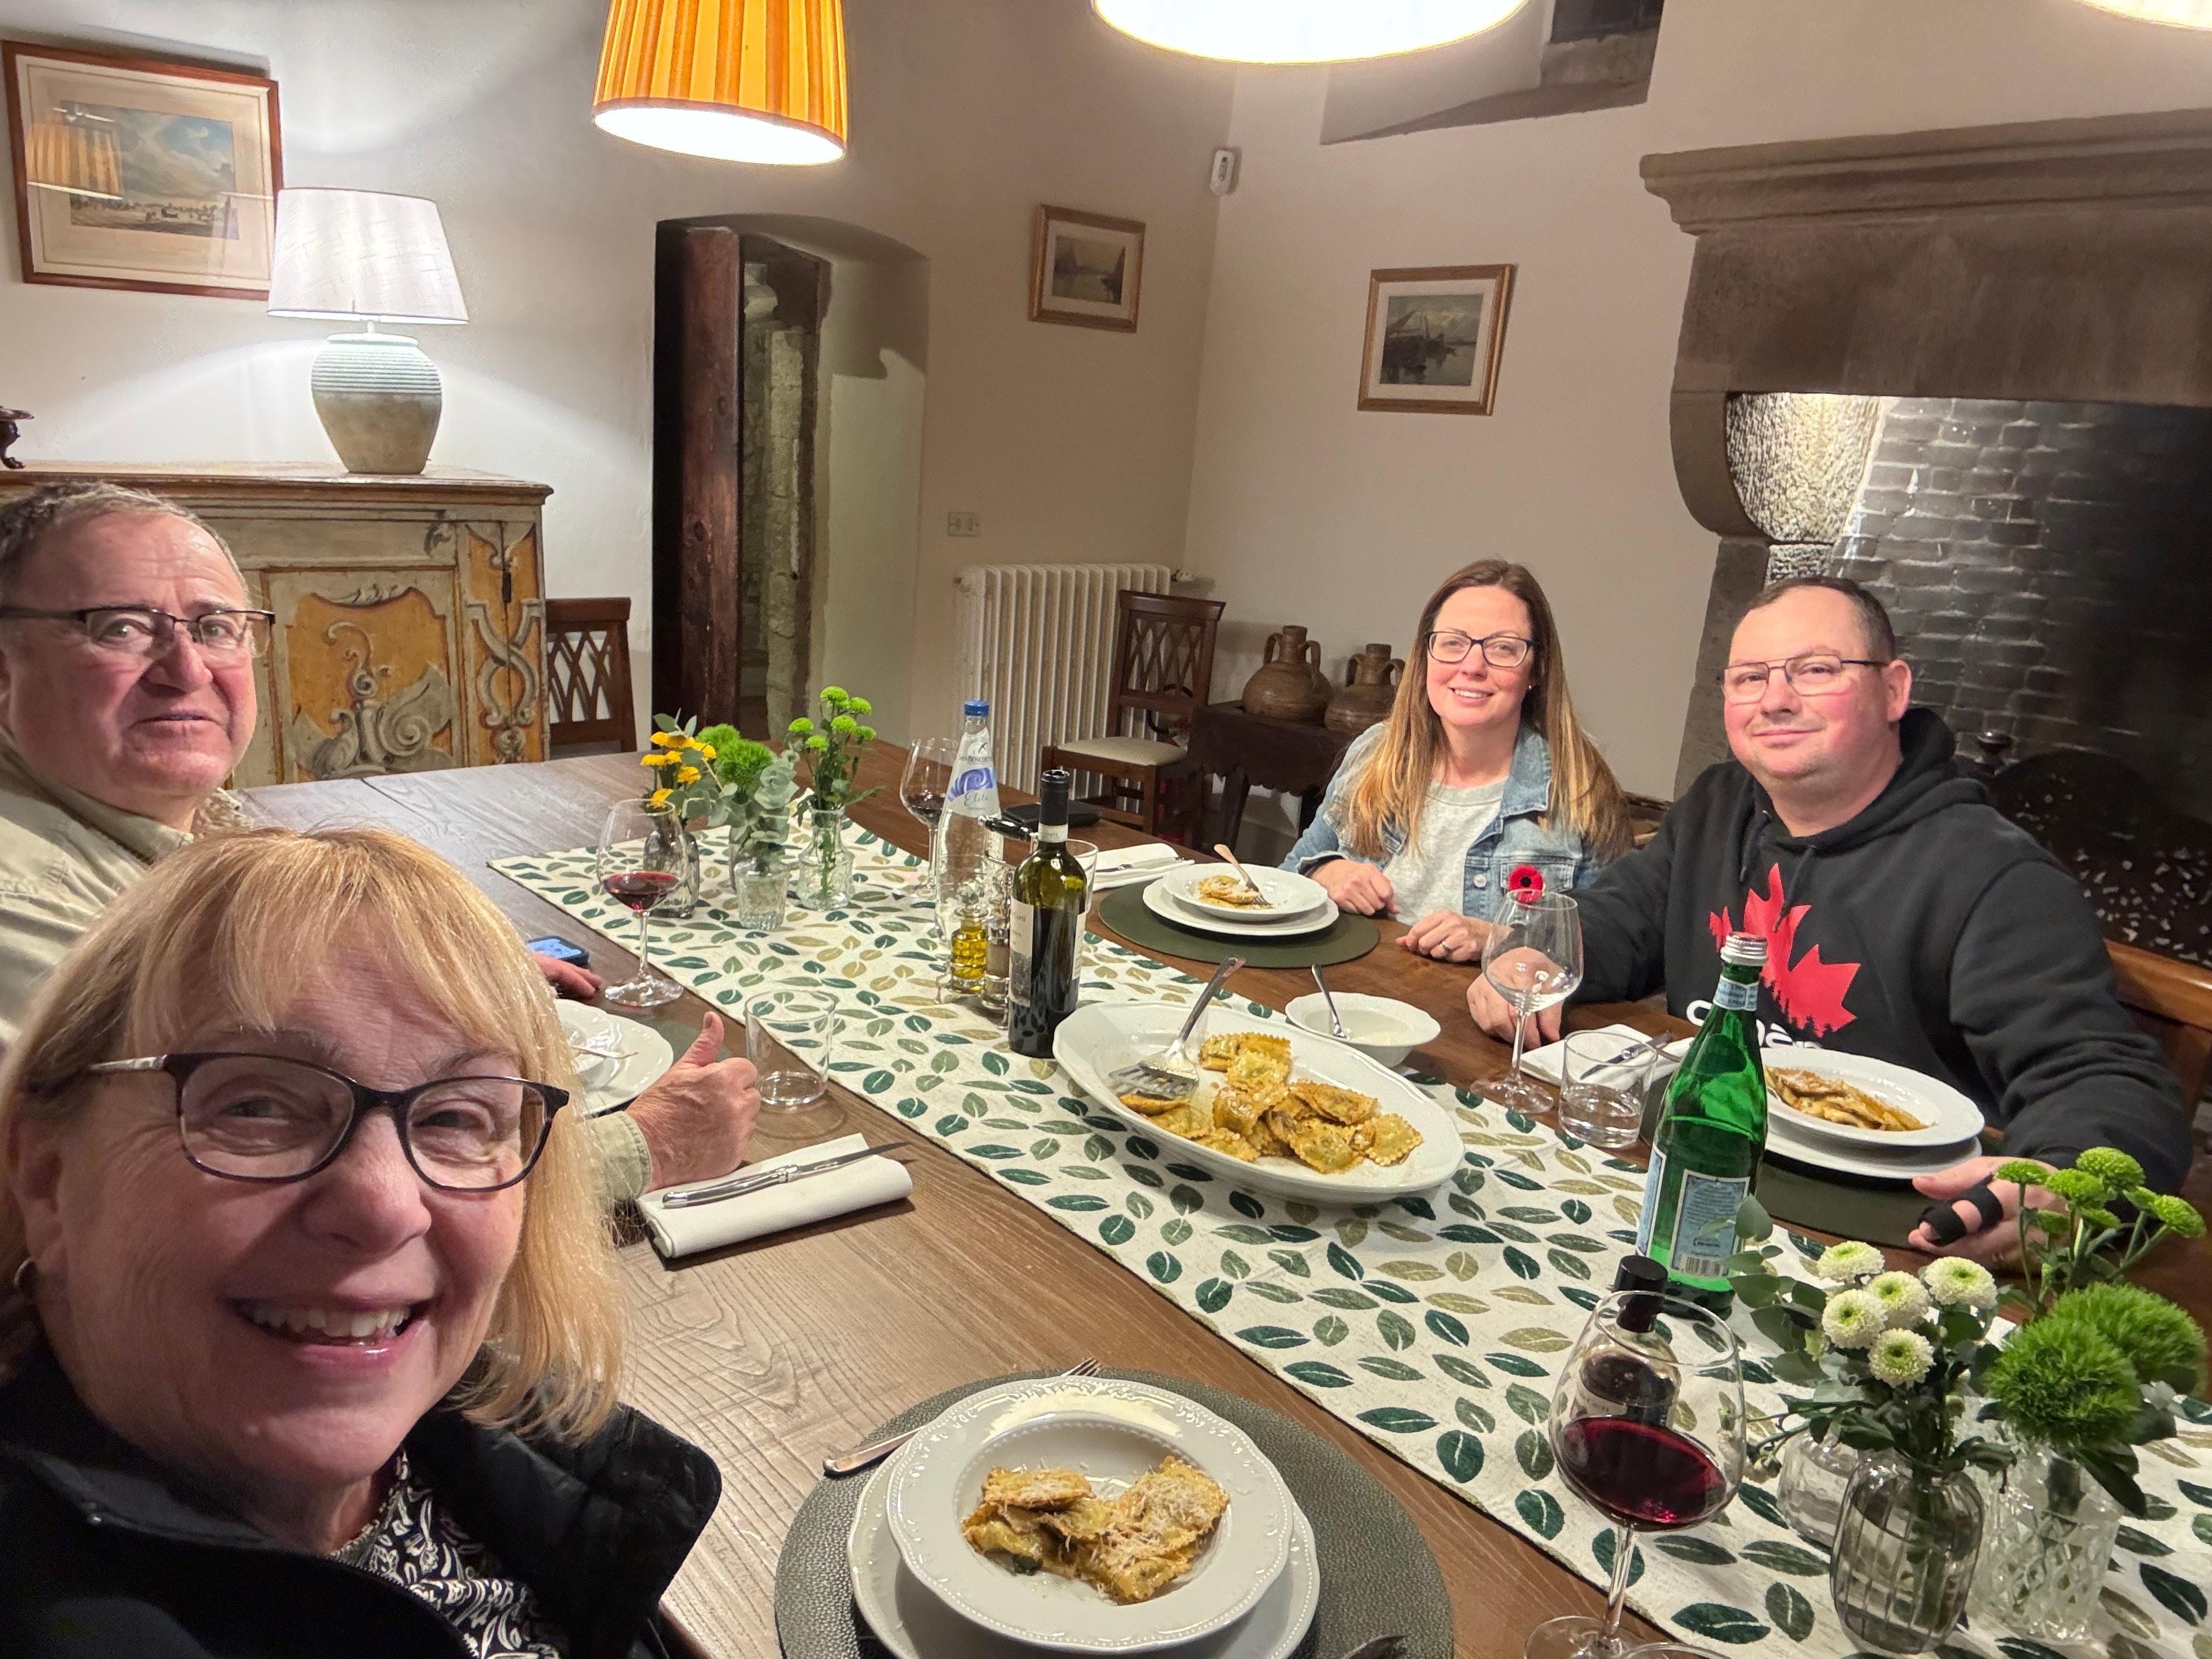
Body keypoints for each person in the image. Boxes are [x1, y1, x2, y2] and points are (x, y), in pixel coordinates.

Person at [0, 826, 720, 1657]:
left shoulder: (479, 1446)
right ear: (46, 1177)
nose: (384, 1206)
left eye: (455, 1115)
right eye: (257, 1105)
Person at [0, 481, 754, 1200]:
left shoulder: (173, 820)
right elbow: (215, 1204)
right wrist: (645, 1148)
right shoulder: (30, 902)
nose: (187, 669)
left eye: (215, 627)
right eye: (121, 628)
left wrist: (425, 972)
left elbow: (253, 975)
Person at [1468, 575, 2194, 1260]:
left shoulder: (1995, 876)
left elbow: (2106, 1080)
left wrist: (2062, 1185)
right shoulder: (1721, 806)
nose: (1774, 699)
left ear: (1893, 691)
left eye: (1815, 670)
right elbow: (1623, 919)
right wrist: (1533, 959)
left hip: (1888, 1236)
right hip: (1703, 1170)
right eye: (1749, 677)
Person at [1283, 560, 1630, 961]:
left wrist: (1500, 939)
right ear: (1425, 655)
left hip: (1484, 1018)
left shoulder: (1580, 785)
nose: (1472, 666)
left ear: (1537, 669)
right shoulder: (1374, 753)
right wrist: (1323, 874)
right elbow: (1285, 880)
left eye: (1503, 648)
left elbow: (1611, 948)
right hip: (1351, 1003)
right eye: (1453, 642)